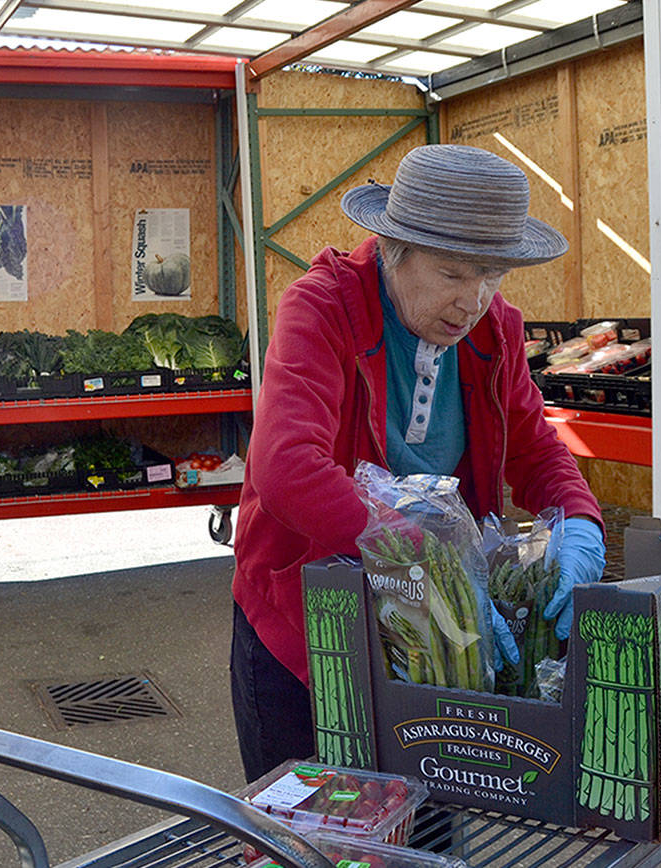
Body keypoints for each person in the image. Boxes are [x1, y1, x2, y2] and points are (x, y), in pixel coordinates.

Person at [229, 144, 606, 782]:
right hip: (310, 627)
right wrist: (430, 562)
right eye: (454, 274)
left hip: (440, 649)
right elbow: (286, 466)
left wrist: (581, 525)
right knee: (313, 833)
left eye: (494, 275)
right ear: (393, 251)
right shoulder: (320, 309)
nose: (475, 300)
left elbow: (537, 447)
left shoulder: (497, 332)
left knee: (434, 826)